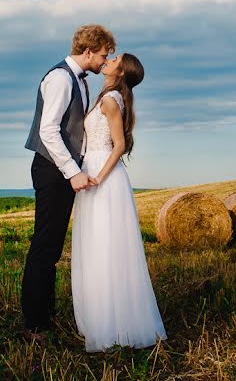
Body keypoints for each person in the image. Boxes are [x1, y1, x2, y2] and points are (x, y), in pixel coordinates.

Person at [20, 24, 116, 342]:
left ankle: (44, 316)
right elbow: (49, 130)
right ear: (88, 51)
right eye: (103, 55)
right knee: (44, 247)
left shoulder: (78, 80)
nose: (105, 62)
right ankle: (35, 326)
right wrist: (72, 171)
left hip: (62, 170)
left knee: (52, 248)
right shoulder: (61, 77)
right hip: (52, 170)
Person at [71, 53, 167, 352]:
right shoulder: (107, 95)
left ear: (122, 72)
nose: (108, 59)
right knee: (98, 245)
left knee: (106, 246)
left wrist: (97, 177)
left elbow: (120, 145)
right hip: (95, 169)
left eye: (115, 59)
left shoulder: (111, 100)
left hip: (104, 175)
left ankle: (113, 324)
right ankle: (104, 318)